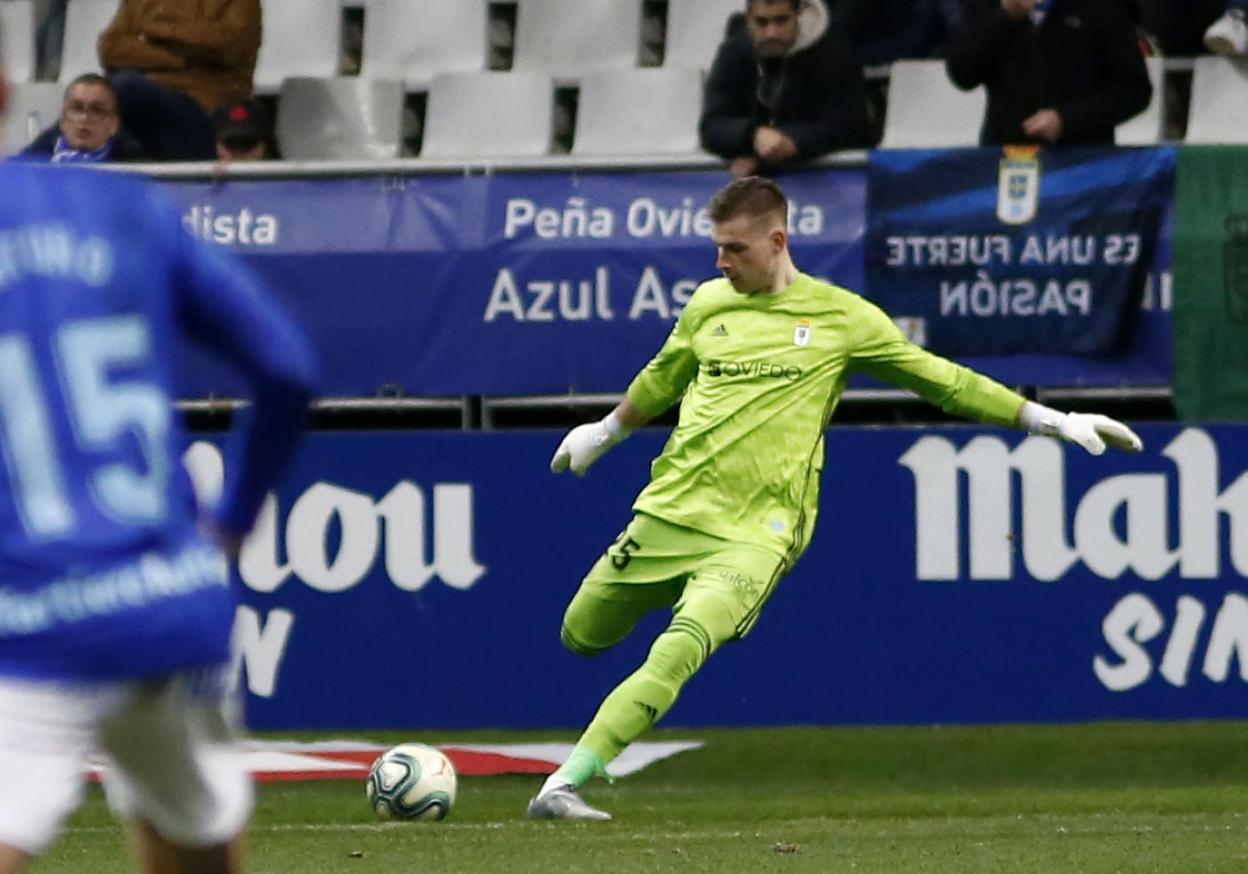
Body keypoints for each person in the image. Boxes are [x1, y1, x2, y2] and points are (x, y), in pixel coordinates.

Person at [527, 176, 1143, 821]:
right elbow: (661, 379)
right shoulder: (709, 306)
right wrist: (603, 433)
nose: (721, 262)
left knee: (680, 645)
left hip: (757, 532)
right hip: (668, 512)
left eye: (734, 249)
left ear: (777, 241)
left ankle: (564, 784)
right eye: (718, 249)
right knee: (582, 634)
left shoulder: (842, 319)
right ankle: (579, 748)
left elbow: (945, 383)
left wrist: (1051, 421)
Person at [0, 26, 316, 874]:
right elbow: (287, 366)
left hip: (19, 614)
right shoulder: (124, 207)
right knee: (194, 845)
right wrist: (236, 521)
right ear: (7, 94)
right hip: (161, 600)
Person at [700, 0, 872, 178]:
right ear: (748, 18)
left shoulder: (834, 48)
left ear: (800, 13)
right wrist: (753, 135)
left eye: (781, 21)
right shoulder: (735, 50)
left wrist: (788, 142)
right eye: (761, 22)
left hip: (824, 176)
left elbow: (850, 125)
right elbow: (711, 127)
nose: (771, 33)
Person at [945, 0, 1152, 146]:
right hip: (1004, 157)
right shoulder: (989, 6)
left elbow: (1134, 91)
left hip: (1082, 162)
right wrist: (1004, 19)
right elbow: (962, 74)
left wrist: (1066, 120)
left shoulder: (1103, 6)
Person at [97, 0, 262, 161]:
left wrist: (156, 30)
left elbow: (227, 44)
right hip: (146, 100)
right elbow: (110, 48)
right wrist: (179, 60)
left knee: (125, 88)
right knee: (98, 95)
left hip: (207, 114)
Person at [17, 74, 146, 164]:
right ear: (62, 120)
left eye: (97, 110)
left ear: (114, 125)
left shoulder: (134, 172)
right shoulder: (31, 164)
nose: (84, 118)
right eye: (76, 108)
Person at [212, 98, 275, 163]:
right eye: (230, 144)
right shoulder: (203, 170)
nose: (239, 153)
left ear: (265, 147)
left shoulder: (285, 171)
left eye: (248, 143)